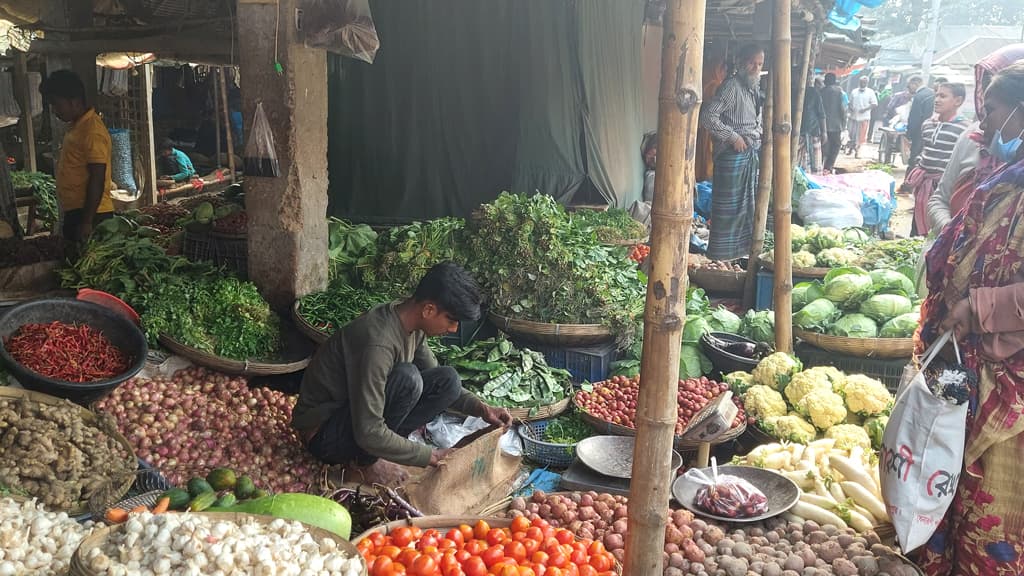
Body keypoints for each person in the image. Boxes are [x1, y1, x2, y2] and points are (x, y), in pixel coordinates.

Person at [915, 62, 1024, 576]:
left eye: (998, 112)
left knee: (991, 504)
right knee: (941, 476)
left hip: (1006, 374)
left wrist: (977, 308)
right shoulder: (1003, 174)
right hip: (964, 355)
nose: (989, 123)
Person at [292, 262, 513, 485]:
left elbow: (436, 376)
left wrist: (482, 409)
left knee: (448, 380)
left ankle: (378, 450)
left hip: (354, 416)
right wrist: (430, 456)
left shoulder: (410, 324)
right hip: (324, 435)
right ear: (428, 310)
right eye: (451, 320)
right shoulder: (378, 343)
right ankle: (364, 463)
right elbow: (368, 430)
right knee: (408, 379)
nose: (453, 329)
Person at [927, 45, 1024, 232]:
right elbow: (939, 199)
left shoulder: (1013, 180)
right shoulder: (971, 139)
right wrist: (953, 236)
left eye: (991, 109)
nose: (983, 123)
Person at [699, 43, 764, 261]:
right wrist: (732, 137)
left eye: (759, 63)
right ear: (741, 63)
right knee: (728, 215)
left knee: (745, 211)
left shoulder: (752, 89)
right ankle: (719, 257)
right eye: (752, 62)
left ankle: (737, 257)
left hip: (748, 155)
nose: (755, 67)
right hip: (731, 157)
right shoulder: (732, 87)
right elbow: (708, 116)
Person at [38, 70, 114, 242]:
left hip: (92, 213)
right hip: (79, 212)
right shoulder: (77, 126)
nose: (54, 110)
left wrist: (87, 222)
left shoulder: (92, 130)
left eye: (56, 104)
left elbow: (97, 177)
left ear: (74, 101)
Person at [906, 83, 969, 236]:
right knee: (917, 225)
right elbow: (925, 150)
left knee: (936, 228)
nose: (937, 100)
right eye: (936, 95)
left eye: (943, 96)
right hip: (924, 185)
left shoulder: (964, 129)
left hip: (944, 189)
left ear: (958, 101)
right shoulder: (927, 124)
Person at [906, 75, 935, 170]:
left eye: (909, 86)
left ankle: (909, 182)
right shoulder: (932, 93)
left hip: (919, 132)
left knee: (914, 160)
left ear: (916, 83)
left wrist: (909, 134)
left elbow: (914, 118)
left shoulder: (919, 96)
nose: (908, 89)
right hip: (932, 132)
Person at [845, 76, 878, 158]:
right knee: (851, 134)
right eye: (861, 82)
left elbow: (874, 104)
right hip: (853, 117)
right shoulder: (854, 91)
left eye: (864, 82)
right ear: (859, 82)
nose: (862, 83)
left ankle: (857, 152)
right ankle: (851, 149)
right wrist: (851, 108)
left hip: (864, 117)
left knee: (860, 136)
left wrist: (865, 109)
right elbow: (849, 102)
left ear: (867, 83)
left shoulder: (870, 92)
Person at [821, 73, 847, 174]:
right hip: (836, 125)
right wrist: (844, 123)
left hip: (823, 124)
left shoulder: (821, 91)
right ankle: (829, 166)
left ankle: (822, 165)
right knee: (836, 145)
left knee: (824, 145)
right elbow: (842, 109)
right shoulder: (839, 91)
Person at [799, 77, 826, 174]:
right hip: (798, 135)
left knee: (815, 163)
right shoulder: (791, 91)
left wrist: (824, 132)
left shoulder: (813, 93)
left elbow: (821, 114)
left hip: (812, 131)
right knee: (799, 165)